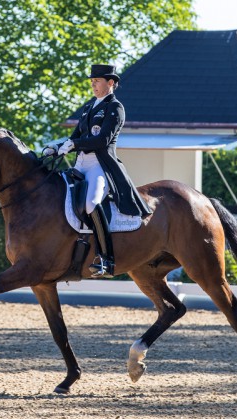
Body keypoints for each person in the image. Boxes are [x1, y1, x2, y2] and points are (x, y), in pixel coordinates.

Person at [43, 64, 152, 278]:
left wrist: (74, 145)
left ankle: (106, 259)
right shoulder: (89, 106)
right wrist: (57, 148)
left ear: (110, 83)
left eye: (97, 81)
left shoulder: (115, 108)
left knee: (92, 203)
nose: (93, 84)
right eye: (92, 81)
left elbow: (102, 140)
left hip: (99, 165)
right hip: (80, 164)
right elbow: (75, 135)